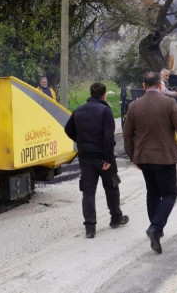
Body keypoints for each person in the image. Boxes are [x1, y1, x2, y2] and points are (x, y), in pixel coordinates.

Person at [123, 72, 177, 254]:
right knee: (170, 194)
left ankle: (157, 228)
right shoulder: (169, 103)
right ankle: (155, 227)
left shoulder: (134, 106)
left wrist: (133, 157)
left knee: (152, 192)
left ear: (144, 85)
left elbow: (127, 135)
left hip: (144, 158)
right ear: (160, 86)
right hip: (164, 157)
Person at [64, 82, 129, 239]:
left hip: (85, 157)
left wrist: (81, 142)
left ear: (91, 93)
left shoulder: (79, 110)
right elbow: (108, 136)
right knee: (111, 187)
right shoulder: (105, 111)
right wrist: (108, 158)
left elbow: (68, 129)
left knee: (88, 192)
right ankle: (115, 218)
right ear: (104, 95)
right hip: (102, 156)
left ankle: (90, 227)